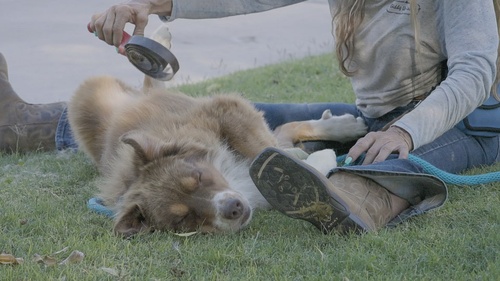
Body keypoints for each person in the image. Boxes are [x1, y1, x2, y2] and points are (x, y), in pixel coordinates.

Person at [2, 0, 499, 234]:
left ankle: (349, 199)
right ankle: (25, 124)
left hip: (472, 119)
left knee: (386, 161)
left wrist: (406, 131)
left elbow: (477, 68)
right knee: (236, 114)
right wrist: (156, 4)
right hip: (380, 116)